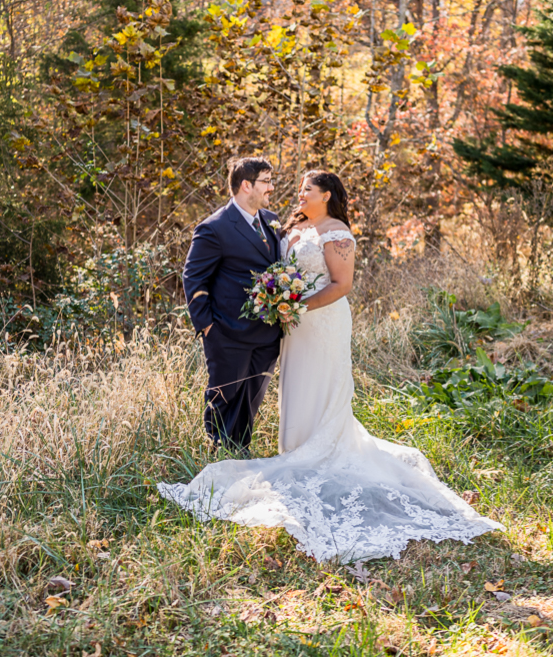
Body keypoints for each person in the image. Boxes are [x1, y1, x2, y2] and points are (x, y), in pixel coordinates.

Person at [160, 170, 503, 563]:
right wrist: (281, 304)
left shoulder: (337, 231)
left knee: (322, 385)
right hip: (293, 325)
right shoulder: (288, 225)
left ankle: (320, 449)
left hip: (321, 321)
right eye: (299, 187)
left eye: (307, 188)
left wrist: (297, 305)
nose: (298, 193)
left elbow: (341, 284)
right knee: (296, 384)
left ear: (326, 194)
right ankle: (294, 446)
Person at [182, 157, 282, 454]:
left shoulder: (271, 221)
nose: (271, 188)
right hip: (227, 333)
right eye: (266, 181)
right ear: (246, 185)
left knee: (251, 399)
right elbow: (193, 279)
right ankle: (215, 457)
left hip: (266, 335)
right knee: (223, 398)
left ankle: (240, 451)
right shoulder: (214, 227)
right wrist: (208, 327)